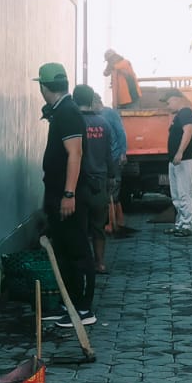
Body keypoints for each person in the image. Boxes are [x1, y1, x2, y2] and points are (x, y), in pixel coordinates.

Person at [35, 63, 96, 325]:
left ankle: (83, 309)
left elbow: (75, 153)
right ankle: (69, 302)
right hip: (59, 194)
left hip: (69, 196)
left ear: (43, 87)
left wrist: (69, 194)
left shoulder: (68, 112)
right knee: (64, 250)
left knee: (77, 250)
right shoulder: (61, 111)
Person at [73, 85, 113, 276]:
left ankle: (83, 263)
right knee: (99, 227)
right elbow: (109, 155)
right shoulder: (103, 124)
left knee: (79, 228)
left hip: (78, 183)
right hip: (99, 183)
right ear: (91, 100)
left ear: (74, 100)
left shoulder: (73, 123)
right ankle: (100, 263)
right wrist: (111, 177)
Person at [96, 94, 132, 237]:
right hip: (103, 158)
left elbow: (121, 133)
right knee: (109, 189)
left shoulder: (110, 113)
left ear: (96, 102)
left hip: (115, 156)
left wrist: (123, 153)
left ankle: (114, 223)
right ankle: (116, 221)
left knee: (114, 188)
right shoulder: (96, 115)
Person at [166, 89, 192, 236]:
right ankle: (179, 224)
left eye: (169, 102)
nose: (168, 106)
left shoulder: (186, 112)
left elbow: (188, 131)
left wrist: (180, 152)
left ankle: (186, 225)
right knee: (177, 195)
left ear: (177, 99)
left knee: (184, 194)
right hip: (176, 162)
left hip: (185, 160)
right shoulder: (179, 115)